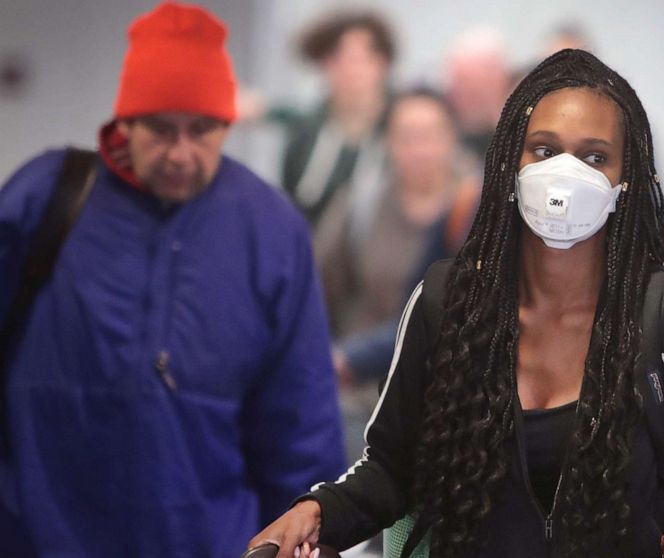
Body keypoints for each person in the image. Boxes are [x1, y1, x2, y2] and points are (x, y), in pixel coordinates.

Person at [248, 49, 664, 558]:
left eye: (594, 156)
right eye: (545, 150)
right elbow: (394, 472)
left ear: (625, 181)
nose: (566, 174)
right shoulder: (450, 305)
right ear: (511, 160)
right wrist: (317, 512)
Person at [0, 3, 346, 556]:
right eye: (162, 129)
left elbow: (299, 414)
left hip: (205, 537)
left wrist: (316, 530)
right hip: (38, 530)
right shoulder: (47, 198)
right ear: (126, 122)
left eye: (202, 130)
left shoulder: (270, 231)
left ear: (227, 125)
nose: (182, 153)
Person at [315, 88, 479, 387]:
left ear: (452, 137)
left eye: (430, 135)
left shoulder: (476, 209)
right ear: (388, 141)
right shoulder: (359, 206)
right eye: (407, 137)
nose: (419, 149)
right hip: (362, 388)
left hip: (448, 391)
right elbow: (319, 290)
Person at [282, 10, 395, 225]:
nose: (350, 70)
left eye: (361, 58)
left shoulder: (403, 126)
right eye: (338, 59)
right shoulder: (306, 133)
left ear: (383, 62)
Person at [444, 26, 512, 163]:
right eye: (462, 82)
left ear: (502, 82)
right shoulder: (441, 141)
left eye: (477, 87)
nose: (466, 96)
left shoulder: (521, 135)